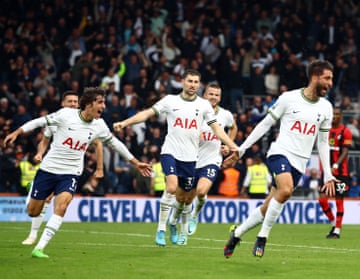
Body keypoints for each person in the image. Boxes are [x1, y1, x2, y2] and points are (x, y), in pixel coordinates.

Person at [3, 87, 152, 258]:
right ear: (88, 104)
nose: (104, 106)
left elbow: (115, 144)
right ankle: (33, 191)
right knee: (33, 212)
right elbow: (39, 122)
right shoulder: (66, 115)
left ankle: (40, 247)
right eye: (100, 102)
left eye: (104, 102)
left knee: (62, 206)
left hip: (71, 173)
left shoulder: (99, 125)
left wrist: (135, 162)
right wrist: (17, 132)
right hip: (49, 170)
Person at [223, 59, 337, 258]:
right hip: (280, 153)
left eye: (331, 79)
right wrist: (242, 149)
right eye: (327, 78)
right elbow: (265, 124)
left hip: (299, 164)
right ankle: (262, 237)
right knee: (285, 190)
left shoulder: (326, 108)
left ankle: (237, 233)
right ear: (315, 77)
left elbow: (323, 143)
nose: (330, 83)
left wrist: (328, 174)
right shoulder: (288, 98)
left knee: (269, 206)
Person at [113, 69, 239, 246]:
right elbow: (147, 113)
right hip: (170, 152)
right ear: (182, 81)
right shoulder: (170, 101)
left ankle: (174, 223)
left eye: (196, 82)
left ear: (198, 84)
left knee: (185, 199)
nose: (192, 85)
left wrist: (234, 146)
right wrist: (125, 122)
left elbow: (218, 129)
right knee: (171, 187)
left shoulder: (203, 106)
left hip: (190, 158)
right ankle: (161, 229)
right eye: (190, 81)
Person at [21, 91, 104, 246]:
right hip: (52, 167)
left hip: (70, 169)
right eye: (70, 101)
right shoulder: (57, 119)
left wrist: (100, 167)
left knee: (52, 200)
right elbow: (45, 141)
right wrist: (40, 153)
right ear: (63, 104)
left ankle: (34, 237)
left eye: (75, 101)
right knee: (38, 205)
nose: (73, 104)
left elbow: (98, 142)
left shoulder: (89, 122)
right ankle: (32, 234)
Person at [187, 83, 238, 236]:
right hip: (191, 159)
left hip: (212, 160)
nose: (214, 97)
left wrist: (227, 145)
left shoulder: (225, 115)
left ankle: (195, 215)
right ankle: (179, 220)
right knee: (185, 198)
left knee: (201, 192)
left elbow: (233, 127)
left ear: (220, 97)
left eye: (217, 95)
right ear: (204, 95)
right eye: (211, 94)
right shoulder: (194, 111)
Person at [318, 107, 352, 239]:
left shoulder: (345, 131)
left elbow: (345, 151)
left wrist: (336, 164)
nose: (335, 116)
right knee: (322, 199)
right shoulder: (325, 130)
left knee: (339, 200)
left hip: (341, 173)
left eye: (338, 114)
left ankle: (337, 230)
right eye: (333, 114)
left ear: (341, 116)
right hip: (327, 172)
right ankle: (333, 222)